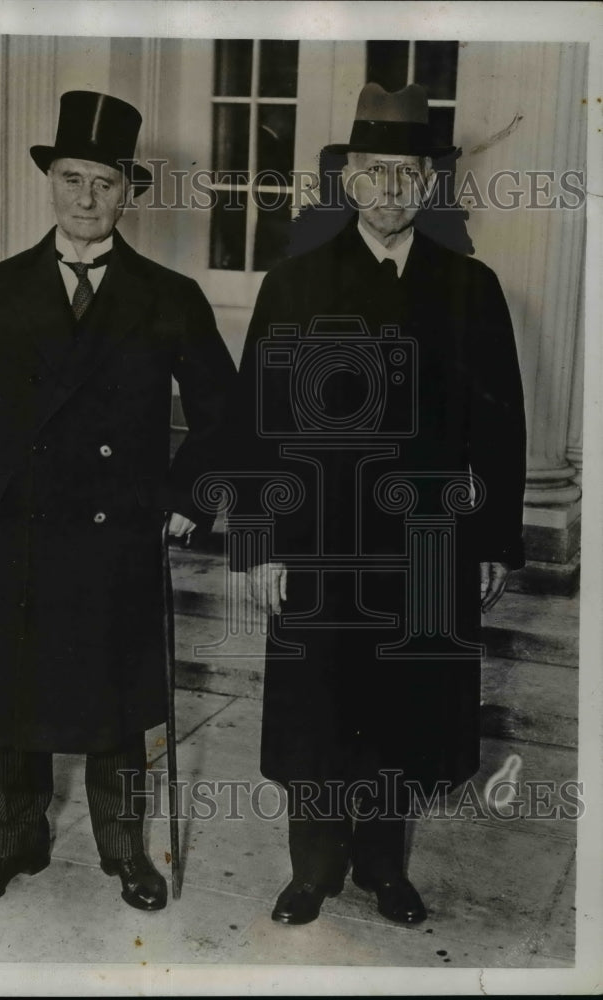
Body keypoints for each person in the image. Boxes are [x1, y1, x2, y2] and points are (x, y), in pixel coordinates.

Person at [0, 91, 236, 911]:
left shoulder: (170, 295)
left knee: (117, 708)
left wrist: (185, 500)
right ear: (49, 182)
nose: (86, 199)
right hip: (12, 531)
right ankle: (14, 844)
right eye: (71, 178)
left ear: (128, 190)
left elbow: (227, 415)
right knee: (13, 700)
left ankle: (125, 852)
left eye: (103, 182)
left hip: (116, 535)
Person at [231, 82, 526, 926]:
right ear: (349, 181)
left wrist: (495, 541)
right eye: (374, 172)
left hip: (427, 545)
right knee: (318, 709)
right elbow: (256, 421)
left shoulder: (473, 287)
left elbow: (501, 429)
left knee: (403, 709)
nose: (391, 189)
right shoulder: (293, 284)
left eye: (407, 173)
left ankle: (382, 867)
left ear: (428, 185)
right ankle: (311, 870)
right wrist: (257, 543)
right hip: (318, 543)